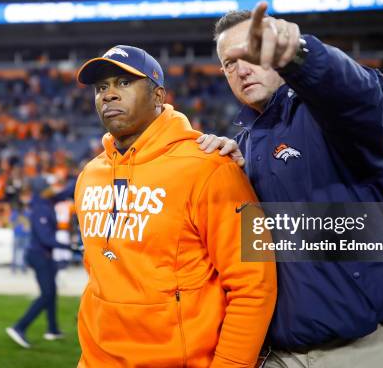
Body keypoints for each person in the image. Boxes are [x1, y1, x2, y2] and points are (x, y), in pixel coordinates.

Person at [200, 2, 383, 367]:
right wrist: (234, 175)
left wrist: (302, 56)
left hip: (369, 347)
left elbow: (359, 95)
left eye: (252, 53)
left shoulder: (330, 116)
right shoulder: (244, 145)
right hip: (282, 353)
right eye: (230, 63)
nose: (241, 69)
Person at [73, 45, 277, 367]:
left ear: (158, 97)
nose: (109, 95)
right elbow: (98, 274)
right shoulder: (89, 176)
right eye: (101, 88)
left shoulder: (211, 167)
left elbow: (255, 284)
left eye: (124, 83)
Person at [6, 185, 75, 348]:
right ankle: (19, 327)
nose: (55, 188)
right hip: (39, 256)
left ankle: (52, 329)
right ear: (43, 190)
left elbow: (67, 191)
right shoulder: (40, 209)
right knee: (47, 294)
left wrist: (84, 172)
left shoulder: (46, 202)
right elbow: (45, 239)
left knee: (52, 292)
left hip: (45, 256)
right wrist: (68, 246)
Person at [9, 199, 31, 274]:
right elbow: (11, 225)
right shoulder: (15, 213)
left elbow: (30, 224)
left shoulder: (27, 213)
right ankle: (14, 268)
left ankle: (24, 267)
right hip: (17, 235)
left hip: (26, 235)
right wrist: (19, 220)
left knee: (25, 252)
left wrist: (26, 225)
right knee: (15, 252)